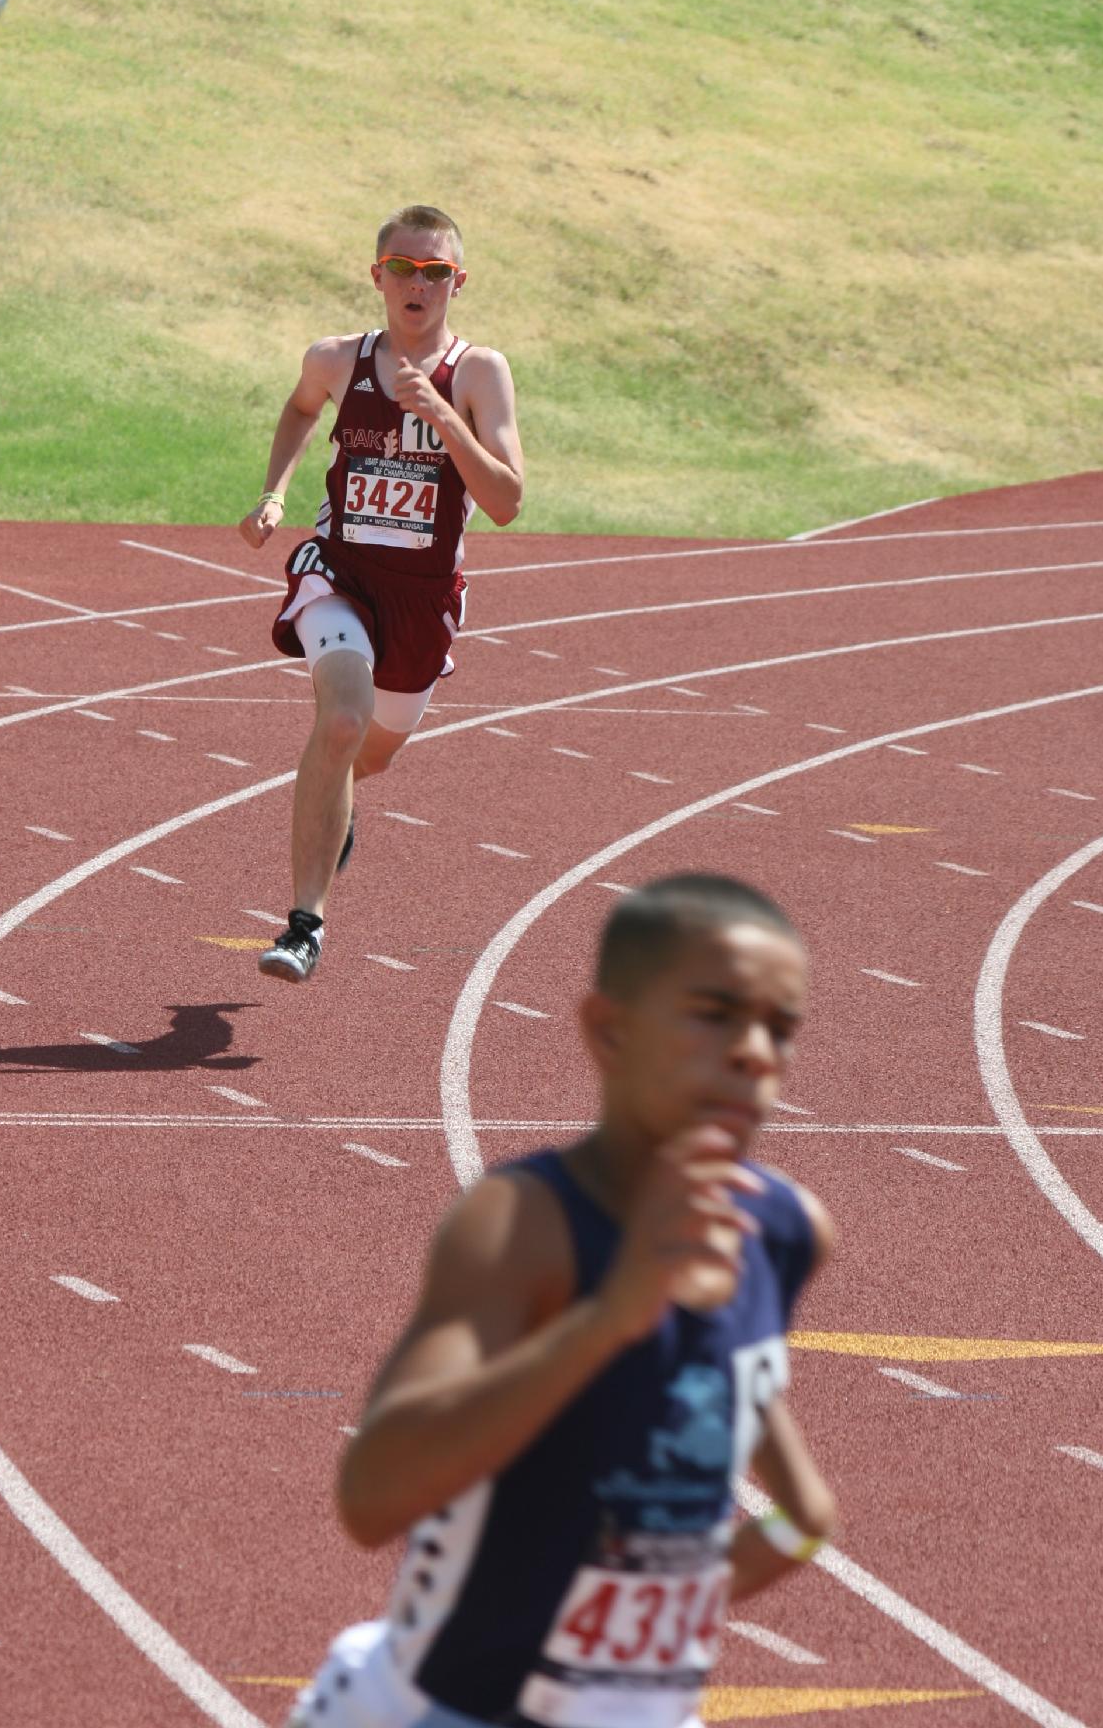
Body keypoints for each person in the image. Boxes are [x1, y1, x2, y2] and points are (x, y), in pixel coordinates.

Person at [290, 873, 837, 1728]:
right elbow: (371, 1496)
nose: (754, 1052)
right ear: (607, 1030)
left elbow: (775, 1475)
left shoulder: (786, 1232)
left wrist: (635, 1628)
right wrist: (608, 1318)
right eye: (714, 1013)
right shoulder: (522, 1226)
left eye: (781, 1028)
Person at [239, 204, 523, 983]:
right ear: (377, 276)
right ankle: (304, 924)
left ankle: (340, 805)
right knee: (340, 720)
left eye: (434, 272)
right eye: (402, 268)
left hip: (422, 602)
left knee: (368, 755)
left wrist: (441, 416)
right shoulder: (336, 359)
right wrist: (274, 492)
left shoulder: (478, 373)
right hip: (339, 574)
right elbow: (301, 407)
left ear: (457, 283)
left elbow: (505, 501)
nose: (416, 283)